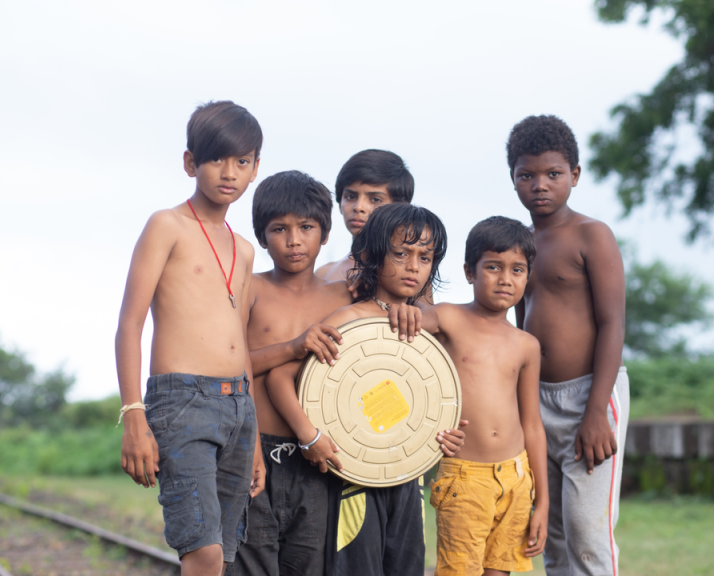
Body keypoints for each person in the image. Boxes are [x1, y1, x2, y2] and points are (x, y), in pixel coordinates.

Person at [267, 203, 466, 576]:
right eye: (401, 253)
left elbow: (432, 404)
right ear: (373, 255)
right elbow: (280, 378)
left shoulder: (424, 332)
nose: (413, 266)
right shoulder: (349, 320)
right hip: (352, 481)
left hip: (408, 481)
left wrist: (445, 437)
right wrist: (309, 437)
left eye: (425, 257)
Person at [116, 100, 266, 576]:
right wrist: (134, 416)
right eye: (217, 159)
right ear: (190, 163)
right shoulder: (167, 225)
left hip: (238, 405)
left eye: (242, 161)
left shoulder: (243, 249)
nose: (229, 172)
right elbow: (129, 325)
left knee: (222, 553)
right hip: (182, 401)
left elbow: (239, 341)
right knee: (200, 550)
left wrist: (255, 435)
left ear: (255, 168)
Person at [385, 216, 549, 576]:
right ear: (469, 271)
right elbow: (408, 320)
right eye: (493, 267)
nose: (505, 278)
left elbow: (533, 425)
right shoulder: (448, 319)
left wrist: (544, 502)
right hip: (464, 476)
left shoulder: (527, 345)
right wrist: (403, 309)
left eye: (517, 269)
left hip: (517, 477)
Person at [507, 115, 629, 576]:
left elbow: (612, 322)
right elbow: (520, 323)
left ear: (575, 175)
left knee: (587, 533)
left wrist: (597, 411)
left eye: (553, 174)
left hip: (589, 395)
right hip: (538, 399)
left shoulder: (590, 235)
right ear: (514, 179)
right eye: (527, 175)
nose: (540, 185)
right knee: (551, 533)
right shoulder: (521, 244)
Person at [227, 170, 351, 576]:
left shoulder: (344, 298)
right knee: (250, 561)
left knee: (309, 565)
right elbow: (230, 363)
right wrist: (292, 347)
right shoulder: (251, 289)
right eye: (279, 229)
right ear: (262, 237)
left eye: (306, 227)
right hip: (254, 448)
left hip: (316, 456)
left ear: (326, 233)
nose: (294, 240)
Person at [316, 149, 414, 284]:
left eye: (375, 199)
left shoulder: (411, 271)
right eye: (350, 197)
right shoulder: (324, 274)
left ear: (400, 207)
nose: (358, 207)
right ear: (339, 203)